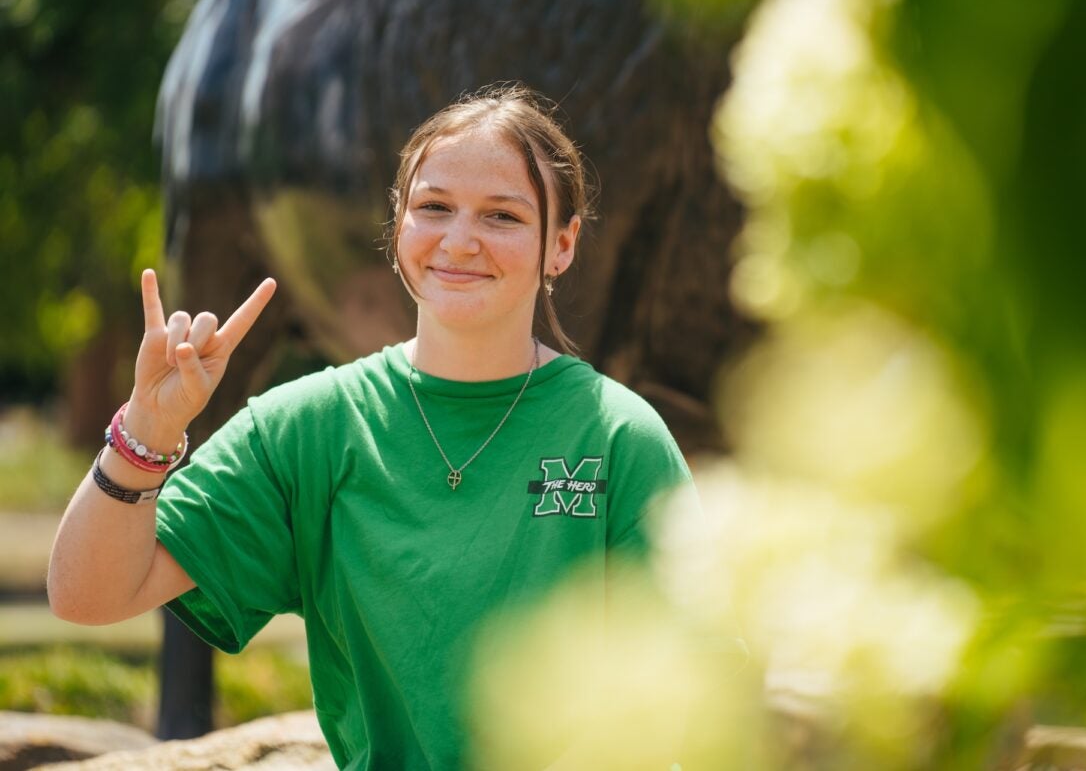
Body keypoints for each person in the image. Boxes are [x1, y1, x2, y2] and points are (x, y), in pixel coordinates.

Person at [47, 84, 696, 769]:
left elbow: (697, 690)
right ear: (398, 227)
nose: (460, 239)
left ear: (561, 244)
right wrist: (144, 433)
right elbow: (88, 595)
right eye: (433, 208)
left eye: (502, 215)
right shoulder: (307, 428)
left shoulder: (619, 436)